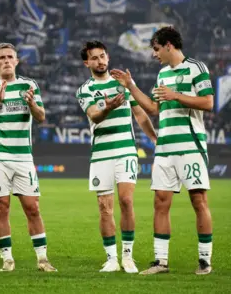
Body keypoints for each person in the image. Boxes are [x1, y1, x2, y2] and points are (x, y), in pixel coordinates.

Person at [111, 27, 215, 275]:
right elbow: (154, 109)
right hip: (165, 147)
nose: (154, 55)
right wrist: (131, 86)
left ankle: (204, 261)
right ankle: (161, 262)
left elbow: (209, 102)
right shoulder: (162, 74)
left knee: (198, 201)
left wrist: (176, 95)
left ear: (169, 45)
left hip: (190, 144)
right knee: (160, 202)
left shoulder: (196, 68)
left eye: (156, 49)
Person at [76, 41, 157, 273]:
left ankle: (128, 256)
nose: (100, 61)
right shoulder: (85, 89)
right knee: (104, 207)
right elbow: (95, 115)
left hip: (125, 150)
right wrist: (109, 107)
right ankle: (111, 258)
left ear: (108, 58)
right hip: (101, 153)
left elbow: (140, 114)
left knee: (127, 201)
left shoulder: (123, 84)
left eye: (103, 56)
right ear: (87, 63)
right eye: (94, 58)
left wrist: (154, 139)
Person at [0, 43, 56, 273]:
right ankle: (7, 259)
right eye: (1, 57)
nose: (6, 60)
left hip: (23, 157)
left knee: (32, 208)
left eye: (10, 57)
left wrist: (31, 103)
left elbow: (41, 117)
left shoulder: (29, 85)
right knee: (1, 207)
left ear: (17, 61)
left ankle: (42, 259)